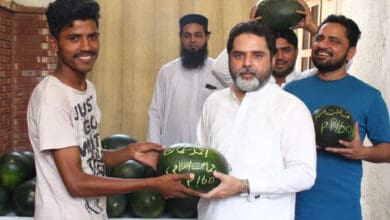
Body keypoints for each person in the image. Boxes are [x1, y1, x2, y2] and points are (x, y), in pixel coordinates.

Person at [27, 0, 198, 219]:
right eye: (74, 38)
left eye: (92, 36)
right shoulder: (51, 98)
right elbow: (76, 183)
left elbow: (90, 159)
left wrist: (129, 152)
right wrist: (153, 184)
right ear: (54, 44)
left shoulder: (86, 89)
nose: (86, 47)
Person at [196, 21, 316, 220]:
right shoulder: (213, 102)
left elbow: (304, 175)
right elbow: (201, 160)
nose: (247, 63)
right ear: (229, 59)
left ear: (272, 59)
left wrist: (244, 185)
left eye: (257, 55)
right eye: (239, 55)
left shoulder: (291, 108)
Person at [284, 15, 390, 220]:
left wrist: (362, 152)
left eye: (334, 41)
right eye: (319, 38)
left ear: (351, 52)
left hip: (341, 212)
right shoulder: (291, 91)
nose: (322, 45)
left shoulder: (368, 96)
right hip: (288, 209)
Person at [148, 13, 224, 146]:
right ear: (181, 38)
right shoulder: (167, 72)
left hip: (207, 153)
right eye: (187, 35)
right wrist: (154, 149)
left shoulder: (218, 72)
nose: (192, 40)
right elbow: (155, 114)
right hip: (171, 153)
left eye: (198, 35)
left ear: (206, 37)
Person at [211, 0, 319, 88]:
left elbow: (335, 65)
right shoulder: (252, 82)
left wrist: (312, 27)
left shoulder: (306, 81)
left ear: (296, 52)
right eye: (274, 51)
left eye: (286, 50)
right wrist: (251, 29)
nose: (280, 57)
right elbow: (219, 68)